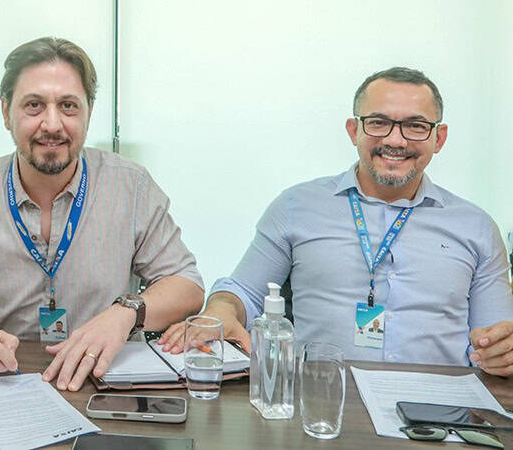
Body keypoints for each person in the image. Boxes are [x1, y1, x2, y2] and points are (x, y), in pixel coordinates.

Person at [159, 67, 513, 376]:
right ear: (353, 130)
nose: (395, 139)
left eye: (416, 126)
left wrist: (501, 353)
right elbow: (244, 292)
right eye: (378, 122)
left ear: (439, 138)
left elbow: (494, 338)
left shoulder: (477, 227)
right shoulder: (296, 206)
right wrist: (221, 308)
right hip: (324, 403)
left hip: (441, 409)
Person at [0, 37, 204, 391]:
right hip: (5, 385)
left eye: (68, 106)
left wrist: (126, 313)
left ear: (89, 112)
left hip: (108, 384)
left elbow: (188, 285)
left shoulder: (131, 187)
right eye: (34, 105)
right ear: (5, 112)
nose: (52, 124)